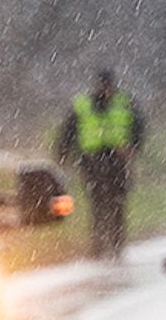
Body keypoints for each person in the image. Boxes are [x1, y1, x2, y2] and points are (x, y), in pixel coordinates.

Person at [54, 69, 146, 261]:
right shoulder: (83, 104)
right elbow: (69, 129)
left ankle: (117, 244)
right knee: (97, 204)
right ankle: (98, 246)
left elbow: (139, 126)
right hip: (92, 161)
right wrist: (62, 153)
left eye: (108, 85)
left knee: (117, 203)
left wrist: (133, 148)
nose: (105, 90)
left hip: (118, 160)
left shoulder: (125, 102)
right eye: (102, 85)